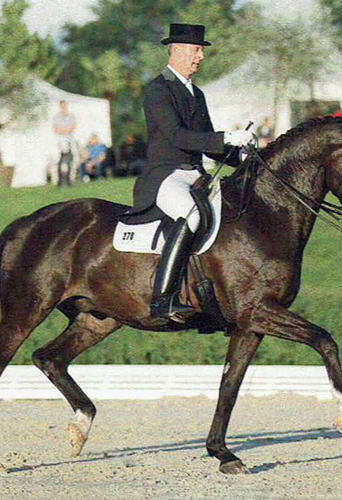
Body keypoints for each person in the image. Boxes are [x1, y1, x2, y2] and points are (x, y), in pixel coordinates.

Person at [121, 23, 253, 323]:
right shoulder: (158, 90)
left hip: (194, 175)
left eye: (200, 51)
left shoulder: (197, 93)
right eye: (196, 51)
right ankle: (162, 301)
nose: (200, 57)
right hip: (164, 176)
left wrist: (242, 156)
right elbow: (178, 136)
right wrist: (225, 137)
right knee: (192, 215)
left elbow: (209, 146)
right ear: (177, 50)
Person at [53, 100, 76, 187]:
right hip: (60, 141)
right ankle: (59, 181)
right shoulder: (56, 117)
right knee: (60, 160)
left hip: (68, 140)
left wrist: (63, 129)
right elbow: (56, 129)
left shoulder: (71, 116)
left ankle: (68, 180)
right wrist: (65, 129)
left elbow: (72, 127)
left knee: (69, 160)